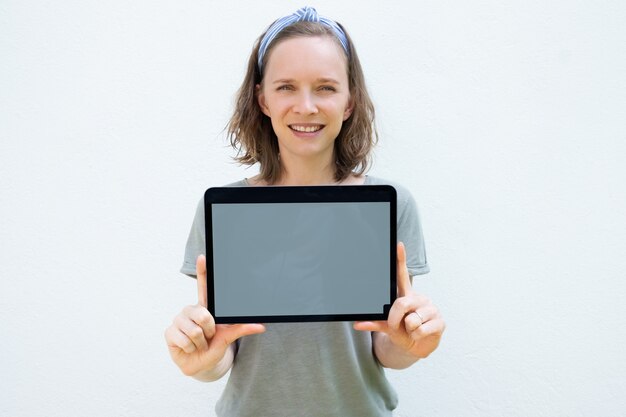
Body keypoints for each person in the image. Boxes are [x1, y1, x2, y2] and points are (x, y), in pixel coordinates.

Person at [164, 6, 445, 416]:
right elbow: (221, 351)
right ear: (262, 99)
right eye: (286, 87)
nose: (307, 106)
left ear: (350, 101)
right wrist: (201, 357)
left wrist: (412, 345)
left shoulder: (389, 204)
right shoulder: (228, 211)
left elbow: (386, 347)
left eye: (326, 88)